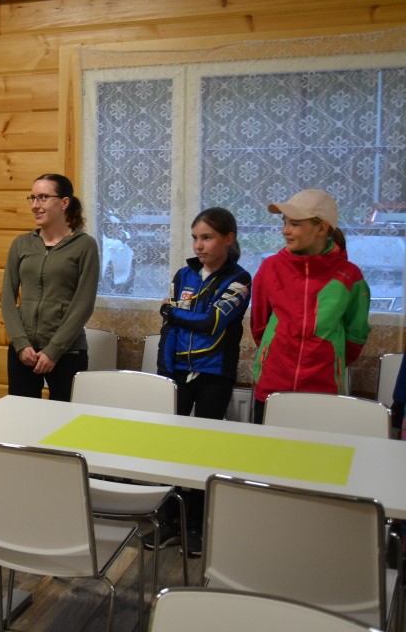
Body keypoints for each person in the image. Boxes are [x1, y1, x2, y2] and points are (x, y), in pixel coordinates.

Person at [148, 207, 251, 557]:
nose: (199, 245)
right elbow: (171, 328)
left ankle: (196, 524)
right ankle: (168, 518)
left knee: (205, 449)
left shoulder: (239, 279)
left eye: (207, 237)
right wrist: (165, 370)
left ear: (228, 239)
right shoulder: (184, 274)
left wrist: (171, 310)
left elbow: (212, 322)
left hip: (214, 374)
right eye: (195, 238)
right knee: (170, 445)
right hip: (177, 371)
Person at [250, 189, 371, 423]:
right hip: (272, 384)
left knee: (316, 447)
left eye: (295, 224)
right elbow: (259, 325)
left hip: (323, 388)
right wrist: (273, 354)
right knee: (267, 445)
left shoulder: (349, 275)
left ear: (322, 228)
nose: (285, 230)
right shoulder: (270, 268)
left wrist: (330, 360)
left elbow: (356, 334)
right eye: (285, 222)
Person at [0, 173, 99, 401]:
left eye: (43, 197)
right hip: (24, 352)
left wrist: (54, 350)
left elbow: (83, 304)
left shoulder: (85, 245)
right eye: (32, 198)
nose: (35, 205)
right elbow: (7, 298)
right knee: (21, 416)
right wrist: (20, 344)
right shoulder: (21, 244)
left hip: (67, 351)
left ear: (64, 202)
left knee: (64, 419)